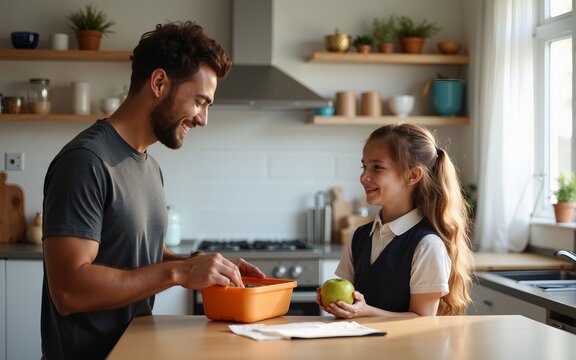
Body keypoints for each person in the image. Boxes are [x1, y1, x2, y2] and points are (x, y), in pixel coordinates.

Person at [41, 21, 265, 359]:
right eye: (200, 101)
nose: (203, 119)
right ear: (159, 83)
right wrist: (178, 272)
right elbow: (70, 291)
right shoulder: (86, 161)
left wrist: (198, 264)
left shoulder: (148, 166)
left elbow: (134, 249)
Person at [318, 123, 473, 318]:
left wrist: (365, 312)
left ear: (413, 175)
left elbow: (422, 319)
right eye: (364, 166)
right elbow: (351, 303)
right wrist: (339, 306)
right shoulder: (358, 237)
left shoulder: (427, 245)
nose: (364, 176)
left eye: (377, 167)